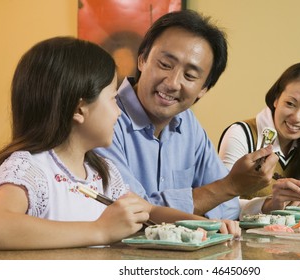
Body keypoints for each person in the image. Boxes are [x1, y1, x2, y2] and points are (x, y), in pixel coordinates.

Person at [0, 37, 240, 251]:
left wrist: (204, 224)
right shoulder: (30, 168)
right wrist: (100, 231)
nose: (119, 113)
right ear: (80, 109)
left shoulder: (102, 172)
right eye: (112, 99)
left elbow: (149, 211)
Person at [96, 9, 278, 220]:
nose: (172, 83)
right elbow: (129, 213)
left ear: (203, 89)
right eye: (165, 64)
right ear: (142, 60)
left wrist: (224, 192)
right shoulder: (104, 119)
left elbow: (227, 207)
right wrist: (229, 186)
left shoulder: (187, 123)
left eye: (190, 75)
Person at [218, 62, 300, 217]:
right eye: (290, 104)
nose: (296, 118)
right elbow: (220, 205)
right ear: (276, 99)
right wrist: (269, 204)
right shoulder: (241, 134)